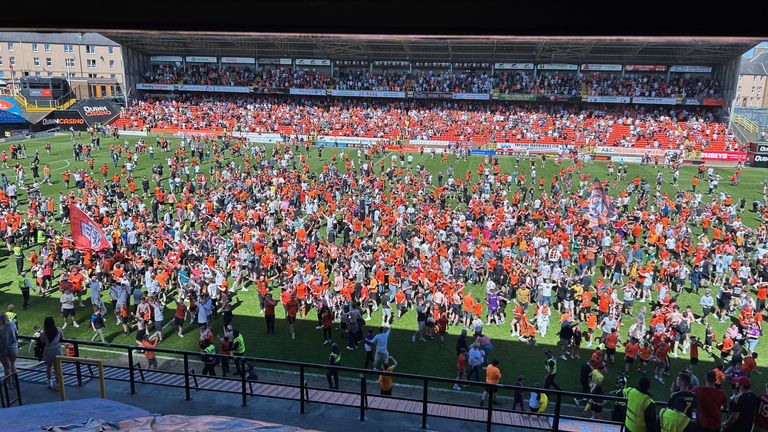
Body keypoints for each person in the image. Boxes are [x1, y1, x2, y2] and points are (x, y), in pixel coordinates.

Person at [41, 316, 63, 391]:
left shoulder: (43, 333)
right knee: (57, 369)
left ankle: (50, 382)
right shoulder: (58, 330)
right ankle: (58, 385)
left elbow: (43, 341)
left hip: (48, 351)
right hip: (57, 350)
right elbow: (62, 338)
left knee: (49, 366)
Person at [0, 313, 19, 382]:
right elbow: (16, 334)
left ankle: (9, 384)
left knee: (7, 368)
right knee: (13, 365)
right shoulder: (13, 325)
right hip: (13, 347)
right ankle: (15, 382)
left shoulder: (1, 328)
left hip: (3, 348)